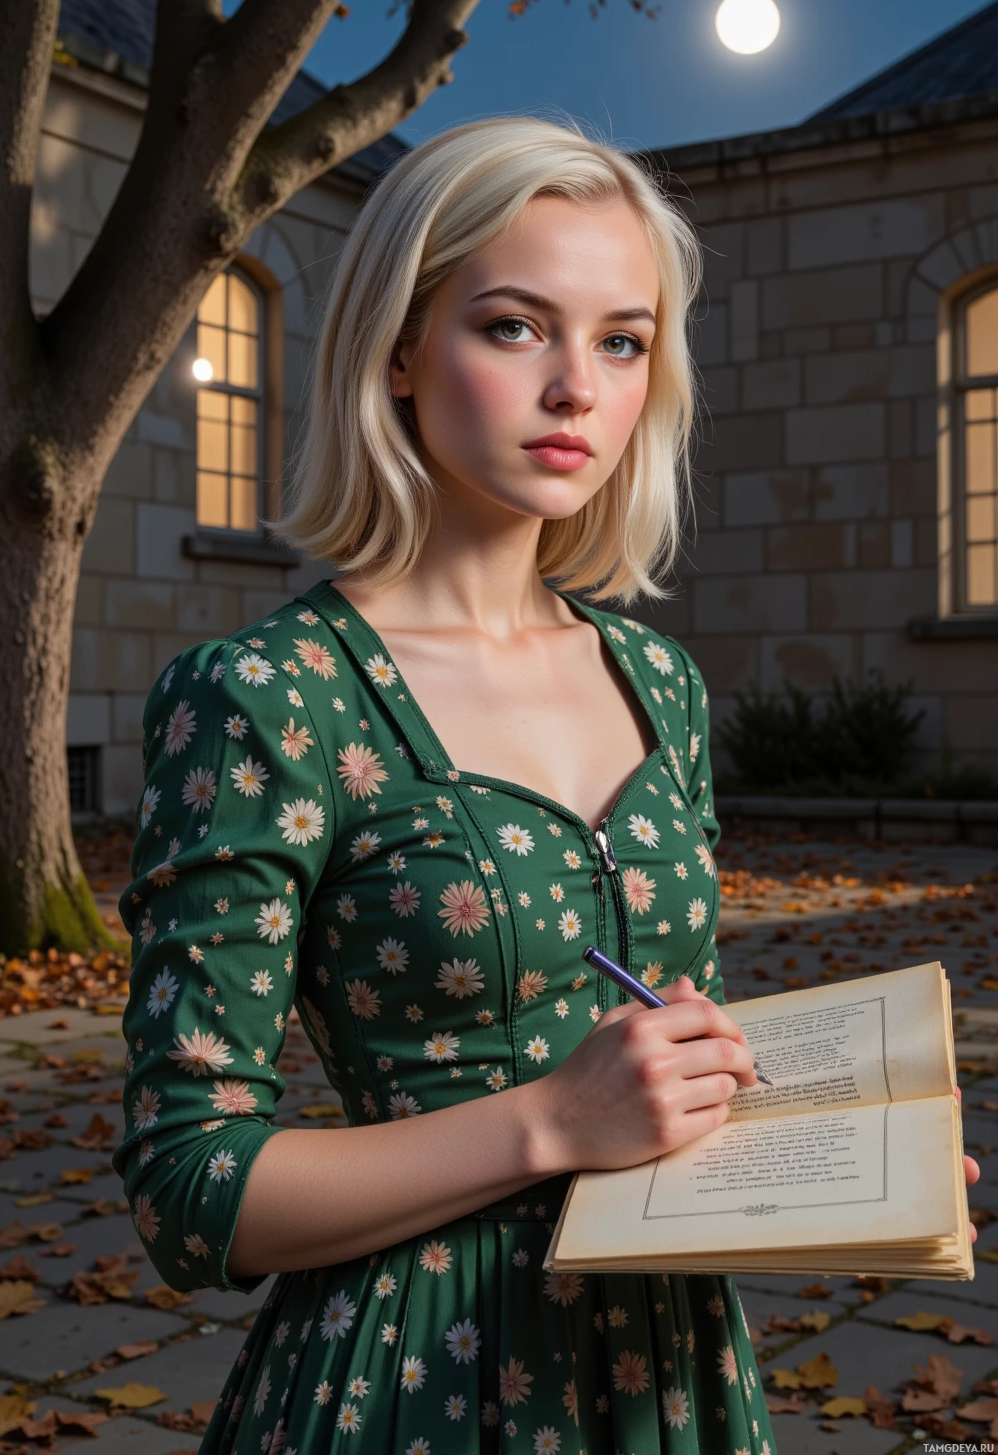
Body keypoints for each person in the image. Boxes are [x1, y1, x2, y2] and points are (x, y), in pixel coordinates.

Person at [114, 115, 979, 1455]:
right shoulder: (264, 694)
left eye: (622, 340)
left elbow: (662, 1043)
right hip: (413, 1378)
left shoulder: (656, 678)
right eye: (516, 326)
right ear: (400, 350)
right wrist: (549, 1123)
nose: (577, 385)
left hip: (670, 1369)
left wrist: (843, 1166)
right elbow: (190, 1189)